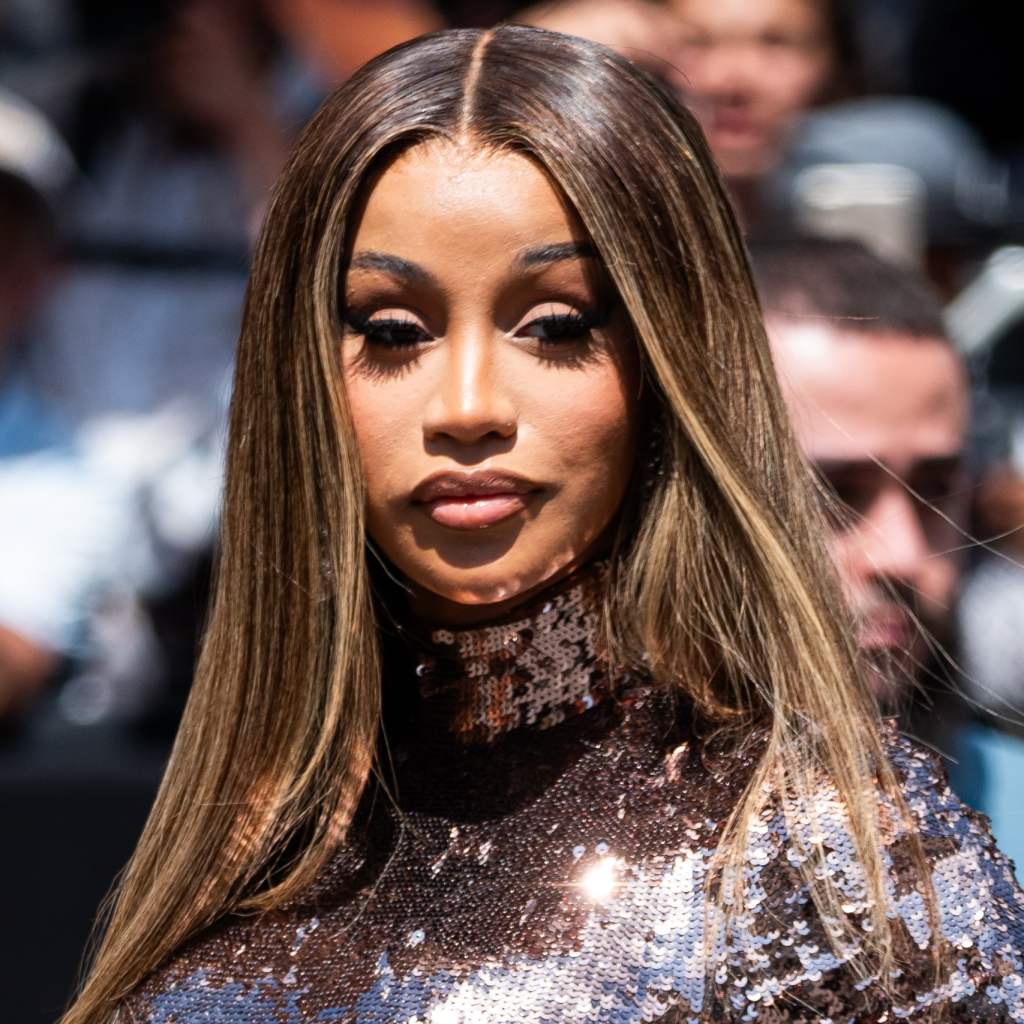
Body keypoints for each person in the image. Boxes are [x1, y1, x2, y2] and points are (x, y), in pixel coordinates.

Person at [65, 27, 1024, 1024]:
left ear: (670, 358)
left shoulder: (827, 871)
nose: (467, 406)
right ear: (301, 370)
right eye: (392, 331)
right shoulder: (233, 860)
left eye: (556, 327)